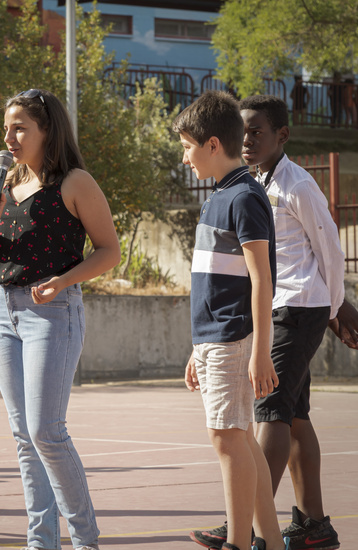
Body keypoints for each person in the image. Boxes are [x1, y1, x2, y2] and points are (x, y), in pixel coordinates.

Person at [190, 95, 346, 550]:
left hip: (297, 308)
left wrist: (335, 308)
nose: (250, 139)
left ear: (282, 136)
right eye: (245, 131)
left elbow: (330, 251)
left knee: (270, 411)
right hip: (276, 308)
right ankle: (313, 523)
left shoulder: (296, 184)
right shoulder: (249, 183)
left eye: (258, 131)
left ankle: (254, 528)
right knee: (295, 415)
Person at [0, 88, 120, 550]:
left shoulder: (75, 182)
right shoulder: (4, 185)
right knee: (23, 436)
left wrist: (62, 281)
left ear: (47, 130)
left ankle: (85, 541)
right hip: (3, 310)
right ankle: (41, 541)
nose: (10, 138)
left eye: (20, 128)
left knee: (45, 431)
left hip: (51, 313)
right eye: (6, 129)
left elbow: (110, 251)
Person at [176, 91, 287, 550]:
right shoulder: (218, 197)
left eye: (187, 147)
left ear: (213, 144)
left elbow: (262, 281)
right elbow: (214, 282)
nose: (185, 158)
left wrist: (260, 352)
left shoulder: (244, 197)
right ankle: (272, 543)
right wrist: (197, 348)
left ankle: (240, 543)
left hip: (234, 339)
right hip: (214, 339)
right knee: (239, 437)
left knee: (226, 439)